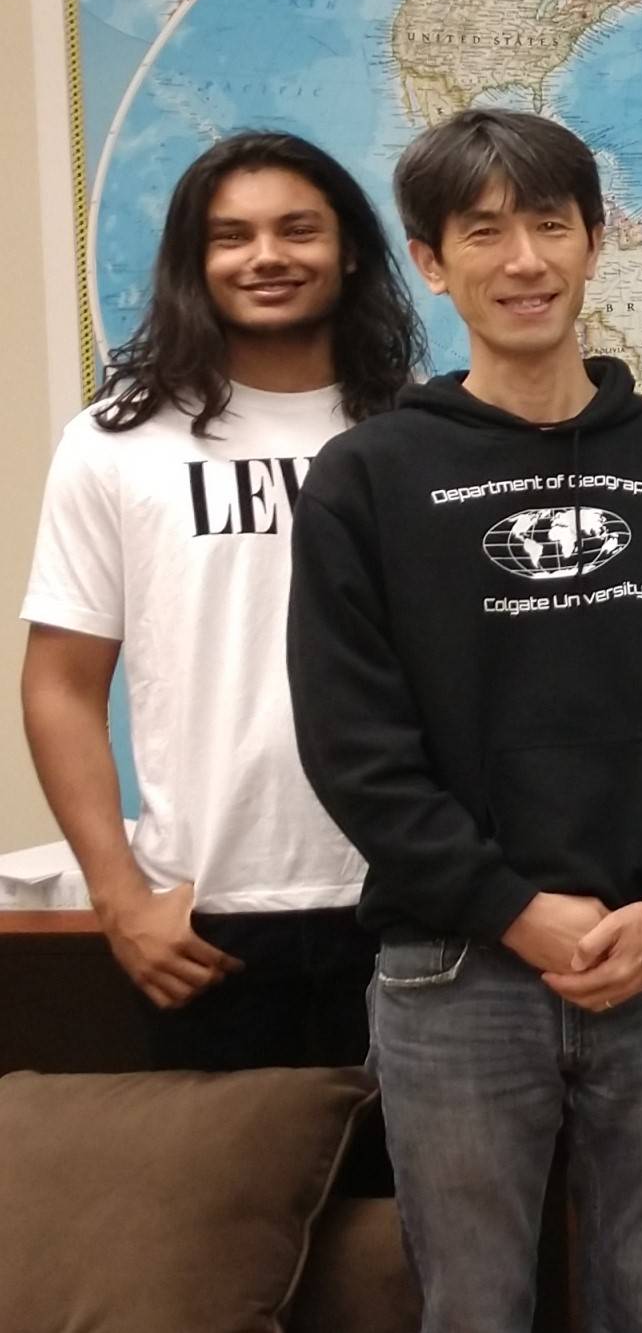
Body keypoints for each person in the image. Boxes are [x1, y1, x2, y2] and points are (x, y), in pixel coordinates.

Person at [287, 107, 642, 1331]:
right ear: (430, 261)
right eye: (485, 232)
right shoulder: (372, 475)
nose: (524, 261)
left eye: (550, 225)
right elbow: (355, 746)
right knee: (472, 1311)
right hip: (454, 968)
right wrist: (513, 907)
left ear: (596, 243)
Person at [22, 130, 421, 1072]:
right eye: (231, 236)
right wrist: (119, 896)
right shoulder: (115, 442)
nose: (268, 256)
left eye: (298, 229)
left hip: (413, 901)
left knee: (422, 1222)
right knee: (225, 1222)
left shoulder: (419, 431)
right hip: (205, 922)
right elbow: (62, 685)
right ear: (194, 262)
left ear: (350, 248)